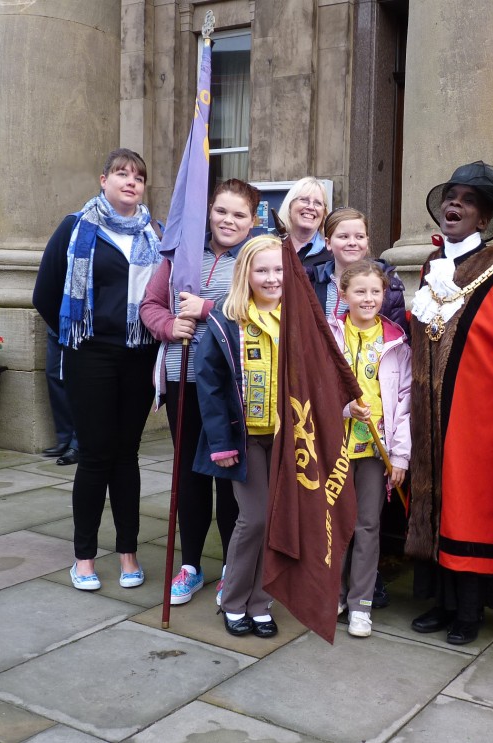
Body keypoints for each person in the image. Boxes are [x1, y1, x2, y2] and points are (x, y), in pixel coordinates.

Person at [405, 161, 493, 646]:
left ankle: (469, 610)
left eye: (467, 199)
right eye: (450, 196)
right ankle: (440, 601)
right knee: (437, 499)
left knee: (469, 508)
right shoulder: (431, 269)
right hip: (430, 413)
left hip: (479, 420)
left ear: (484, 219)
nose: (453, 204)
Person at [32, 148, 162, 591]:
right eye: (122, 174)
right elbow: (45, 294)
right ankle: (84, 556)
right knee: (94, 456)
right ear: (103, 179)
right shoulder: (77, 226)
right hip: (91, 356)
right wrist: (79, 334)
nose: (131, 181)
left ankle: (128, 551)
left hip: (139, 355)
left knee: (126, 455)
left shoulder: (154, 234)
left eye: (138, 176)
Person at [140, 178, 260, 606]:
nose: (228, 221)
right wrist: (172, 325)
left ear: (253, 221)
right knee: (188, 476)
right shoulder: (181, 258)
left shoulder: (256, 260)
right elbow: (150, 306)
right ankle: (191, 564)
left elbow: (266, 310)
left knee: (228, 474)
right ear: (209, 212)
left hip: (231, 386)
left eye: (239, 214)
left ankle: (233, 566)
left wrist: (206, 309)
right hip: (183, 379)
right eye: (221, 211)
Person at [193, 234, 283, 638]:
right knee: (254, 518)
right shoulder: (226, 321)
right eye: (261, 269)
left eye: (278, 269)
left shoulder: (298, 318)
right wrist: (220, 443)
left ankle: (260, 602)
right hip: (243, 439)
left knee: (275, 522)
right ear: (245, 273)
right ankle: (233, 600)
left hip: (285, 438)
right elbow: (209, 386)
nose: (271, 277)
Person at [330, 260, 411, 638]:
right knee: (335, 525)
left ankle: (361, 602)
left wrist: (399, 455)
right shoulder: (330, 336)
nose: (368, 298)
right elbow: (312, 390)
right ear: (343, 294)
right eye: (359, 291)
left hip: (375, 453)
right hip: (334, 448)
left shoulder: (396, 342)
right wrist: (345, 408)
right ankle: (335, 594)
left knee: (367, 525)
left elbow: (405, 402)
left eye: (375, 291)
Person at [308, 207, 408, 334]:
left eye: (359, 236)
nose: (352, 242)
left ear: (367, 241)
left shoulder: (390, 288)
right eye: (343, 237)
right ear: (328, 243)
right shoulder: (310, 284)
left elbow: (399, 337)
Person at [42, 328, 80, 465]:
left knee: (80, 379)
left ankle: (78, 444)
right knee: (53, 373)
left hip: (82, 321)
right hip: (57, 319)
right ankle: (65, 437)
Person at [279, 176, 329, 268]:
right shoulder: (269, 245)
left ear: (324, 212)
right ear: (290, 205)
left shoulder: (332, 252)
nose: (310, 207)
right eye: (304, 200)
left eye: (318, 203)